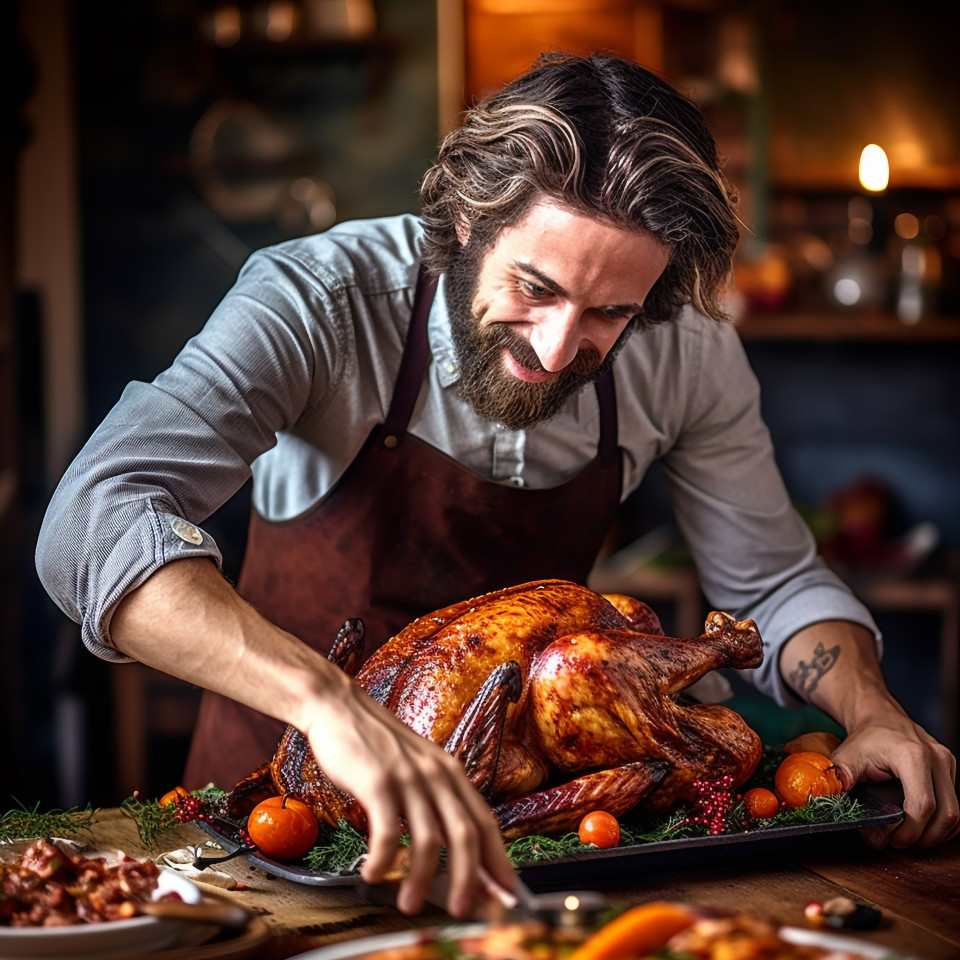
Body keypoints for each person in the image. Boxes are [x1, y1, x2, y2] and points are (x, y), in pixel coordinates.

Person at [37, 52, 957, 917]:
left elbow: (772, 582)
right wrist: (330, 704)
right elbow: (94, 519)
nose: (558, 350)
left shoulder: (688, 350)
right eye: (537, 286)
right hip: (281, 842)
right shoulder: (319, 301)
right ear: (472, 222)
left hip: (543, 856)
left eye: (611, 312)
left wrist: (874, 713)